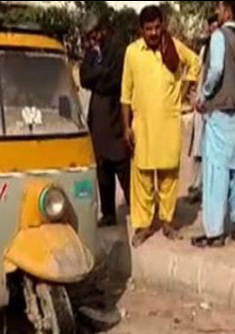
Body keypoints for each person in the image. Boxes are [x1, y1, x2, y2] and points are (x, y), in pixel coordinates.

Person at [121, 6, 200, 247]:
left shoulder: (173, 46)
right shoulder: (132, 52)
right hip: (142, 126)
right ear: (141, 29)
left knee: (168, 177)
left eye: (157, 27)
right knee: (142, 177)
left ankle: (166, 221)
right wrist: (126, 127)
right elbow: (126, 93)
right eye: (149, 29)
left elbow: (195, 62)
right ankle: (144, 225)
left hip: (168, 124)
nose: (154, 32)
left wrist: (186, 89)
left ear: (162, 25)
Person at [191, 1, 235, 248]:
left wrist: (204, 95)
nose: (216, 12)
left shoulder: (219, 37)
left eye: (218, 7)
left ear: (227, 10)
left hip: (219, 113)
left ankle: (215, 232)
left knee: (215, 173)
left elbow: (216, 69)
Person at [81, 15, 132, 228]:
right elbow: (84, 78)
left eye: (94, 35)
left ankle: (136, 208)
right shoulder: (91, 54)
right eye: (89, 37)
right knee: (103, 170)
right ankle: (109, 213)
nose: (93, 40)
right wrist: (99, 75)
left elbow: (115, 80)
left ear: (102, 30)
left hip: (115, 116)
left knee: (123, 167)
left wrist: (98, 78)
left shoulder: (117, 50)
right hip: (98, 120)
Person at [187, 15, 220, 204]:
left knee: (212, 150)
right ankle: (197, 185)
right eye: (210, 27)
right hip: (201, 105)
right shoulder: (204, 50)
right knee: (198, 148)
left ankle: (209, 188)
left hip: (214, 106)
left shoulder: (221, 49)